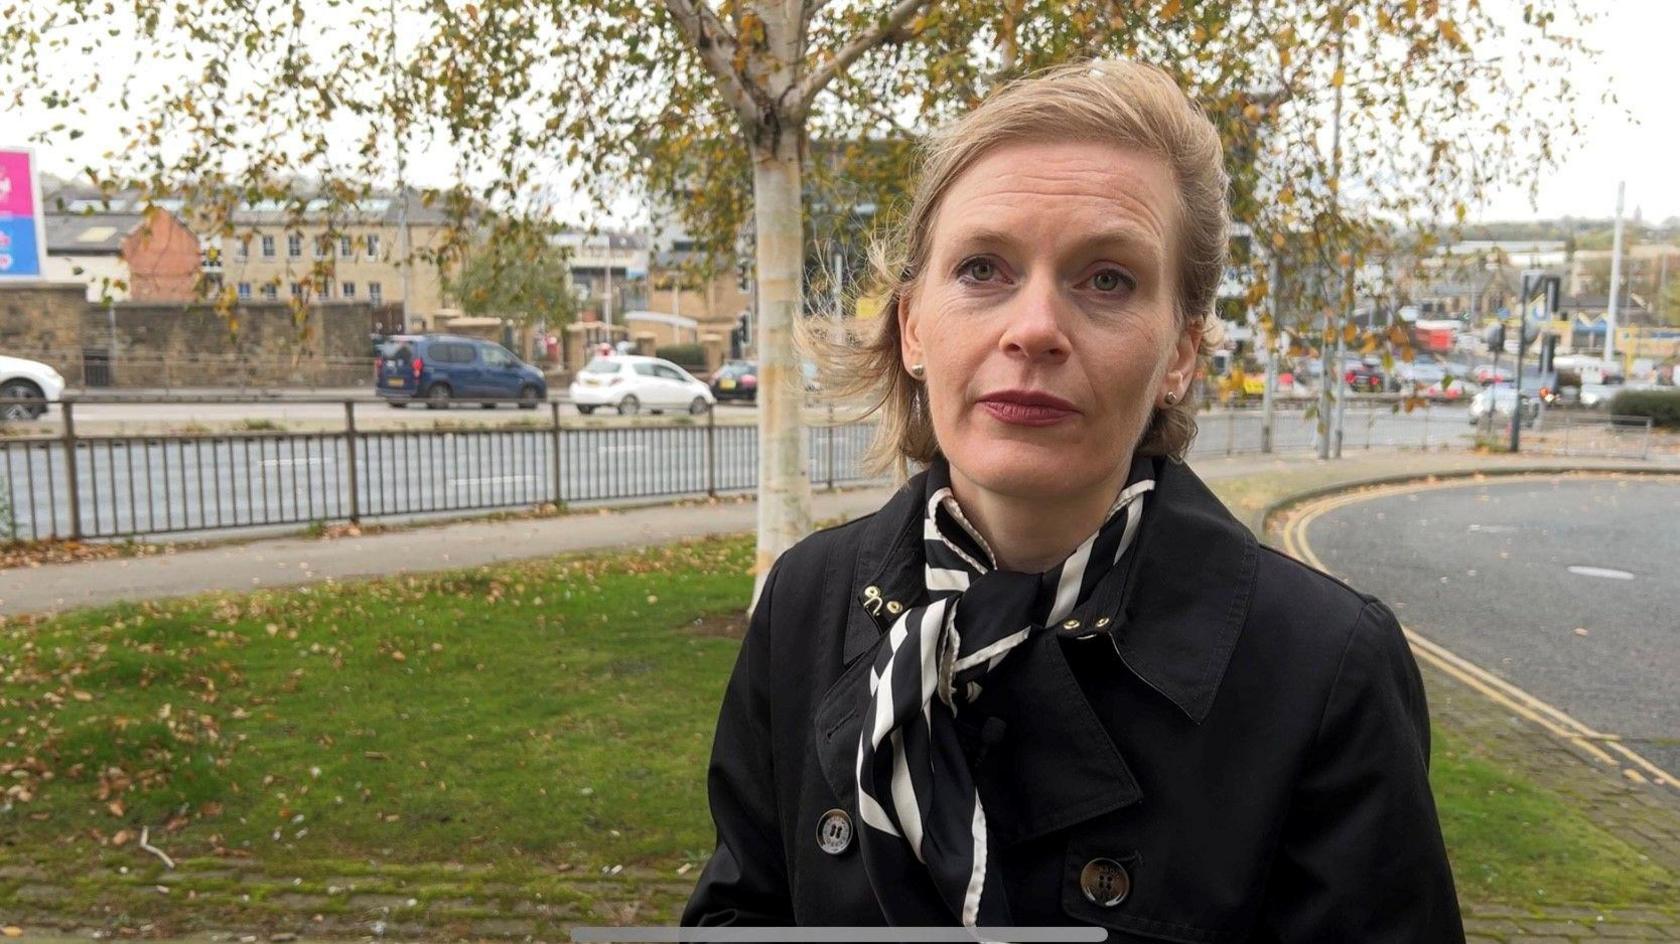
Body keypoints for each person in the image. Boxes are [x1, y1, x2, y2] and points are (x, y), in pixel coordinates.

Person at [683, 60, 1464, 939]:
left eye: (1107, 280)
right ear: (911, 327)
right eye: (983, 268)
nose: (1035, 328)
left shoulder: (1325, 669)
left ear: (1181, 354)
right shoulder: (808, 599)